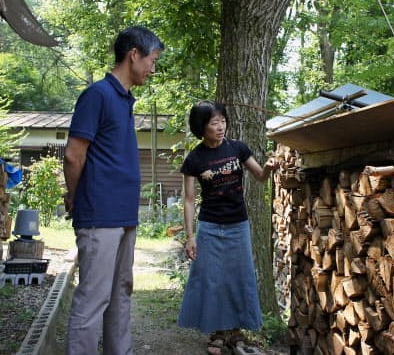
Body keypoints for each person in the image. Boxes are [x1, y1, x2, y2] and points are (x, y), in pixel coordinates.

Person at [63, 26, 163, 355]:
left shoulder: (125, 100)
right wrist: (75, 196)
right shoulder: (98, 95)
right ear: (133, 54)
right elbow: (74, 154)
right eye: (152, 59)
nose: (153, 67)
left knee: (121, 293)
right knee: (93, 298)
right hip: (99, 215)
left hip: (124, 215)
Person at [177, 100, 279, 355]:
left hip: (238, 225)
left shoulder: (238, 149)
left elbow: (259, 176)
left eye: (222, 120)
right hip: (210, 226)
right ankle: (218, 332)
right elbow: (189, 201)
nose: (220, 126)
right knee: (213, 280)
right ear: (202, 127)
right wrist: (190, 236)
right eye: (214, 122)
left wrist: (267, 168)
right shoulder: (194, 159)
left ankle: (236, 331)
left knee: (239, 277)